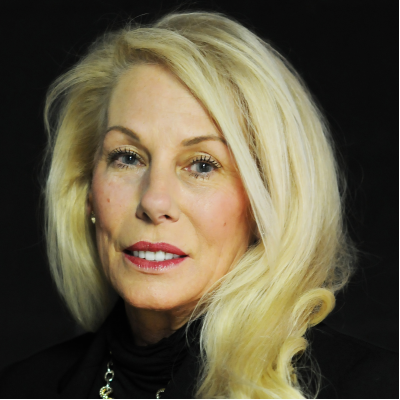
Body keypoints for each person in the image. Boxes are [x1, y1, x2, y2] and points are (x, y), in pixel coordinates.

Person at [0, 11, 397, 400]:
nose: (154, 201)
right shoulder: (20, 387)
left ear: (266, 202)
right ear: (88, 189)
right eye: (127, 157)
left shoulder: (369, 386)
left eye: (203, 165)